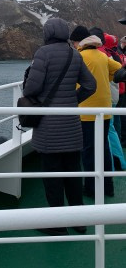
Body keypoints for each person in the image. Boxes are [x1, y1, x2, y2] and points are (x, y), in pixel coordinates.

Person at [23, 19, 96, 235]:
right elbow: (90, 85)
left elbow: (31, 90)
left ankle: (56, 225)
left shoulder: (43, 53)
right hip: (72, 127)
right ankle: (79, 222)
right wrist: (72, 100)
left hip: (49, 129)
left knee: (52, 177)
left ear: (47, 33)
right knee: (74, 174)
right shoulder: (75, 53)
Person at [72, 25, 122, 198]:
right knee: (103, 149)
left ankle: (91, 188)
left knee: (88, 150)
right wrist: (107, 77)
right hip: (105, 110)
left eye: (73, 42)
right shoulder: (103, 56)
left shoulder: (78, 57)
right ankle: (108, 187)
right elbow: (120, 70)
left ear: (79, 42)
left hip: (86, 111)